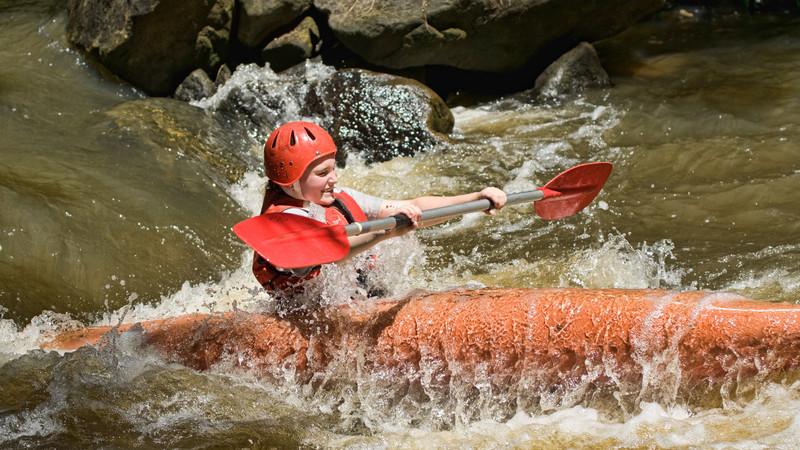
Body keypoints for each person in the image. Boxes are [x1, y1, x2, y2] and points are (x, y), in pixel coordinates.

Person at [252, 121, 507, 296]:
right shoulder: (281, 223)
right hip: (311, 314)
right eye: (322, 173)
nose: (334, 178)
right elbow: (325, 252)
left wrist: (474, 199)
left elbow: (414, 207)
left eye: (333, 168)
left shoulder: (338, 198)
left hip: (360, 296)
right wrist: (387, 232)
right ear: (290, 181)